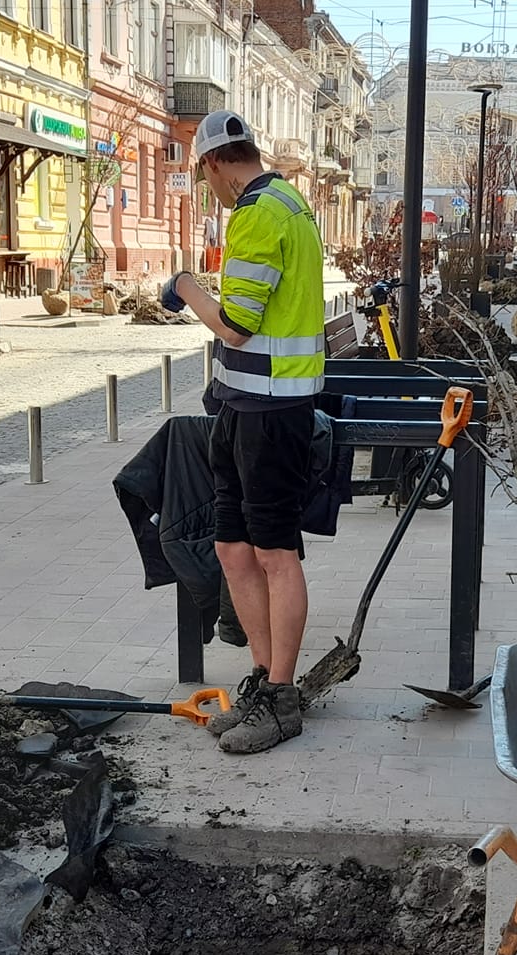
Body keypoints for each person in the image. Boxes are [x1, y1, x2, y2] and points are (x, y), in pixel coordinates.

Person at [161, 110, 323, 753]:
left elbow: (235, 325)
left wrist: (182, 286)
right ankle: (262, 677)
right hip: (243, 406)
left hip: (271, 414)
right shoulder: (288, 201)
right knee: (233, 548)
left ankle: (282, 696)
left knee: (274, 553)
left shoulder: (260, 212)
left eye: (208, 182)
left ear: (212, 166)